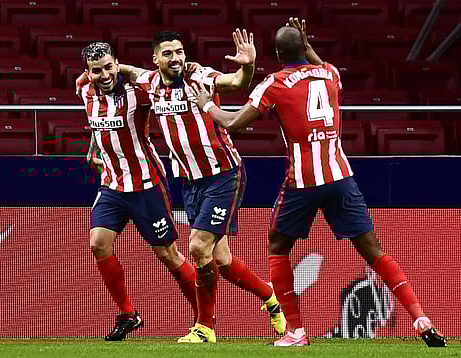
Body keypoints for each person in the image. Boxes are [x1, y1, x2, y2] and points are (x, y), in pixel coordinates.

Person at [188, 18, 447, 348]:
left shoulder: (274, 83)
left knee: (278, 247)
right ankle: (420, 317)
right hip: (341, 176)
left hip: (303, 182)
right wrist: (307, 45)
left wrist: (206, 104)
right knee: (374, 252)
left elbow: (234, 124)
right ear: (305, 47)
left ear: (279, 53)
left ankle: (295, 332)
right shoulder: (331, 74)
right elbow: (317, 62)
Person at [118, 29, 287, 343]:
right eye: (168, 53)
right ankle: (270, 296)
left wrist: (248, 65)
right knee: (220, 260)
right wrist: (88, 78)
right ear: (155, 59)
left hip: (223, 174)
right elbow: (125, 70)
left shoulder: (202, 77)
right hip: (191, 182)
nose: (176, 58)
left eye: (179, 51)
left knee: (197, 247)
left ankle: (205, 327)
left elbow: (237, 82)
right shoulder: (149, 83)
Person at [78, 42, 198, 341]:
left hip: (146, 185)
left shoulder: (139, 93)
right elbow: (96, 127)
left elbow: (164, 83)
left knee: (169, 255)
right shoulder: (84, 90)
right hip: (112, 186)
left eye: (108, 67)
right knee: (98, 244)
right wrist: (94, 150)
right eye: (97, 70)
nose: (104, 74)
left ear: (117, 63)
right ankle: (128, 315)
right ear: (87, 72)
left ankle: (204, 317)